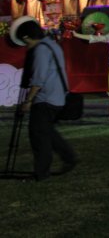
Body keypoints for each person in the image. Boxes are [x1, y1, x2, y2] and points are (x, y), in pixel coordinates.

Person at [12, 17, 78, 181]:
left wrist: (28, 101)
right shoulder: (52, 44)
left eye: (24, 42)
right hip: (58, 97)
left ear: (27, 37)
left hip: (45, 99)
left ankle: (42, 172)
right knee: (47, 131)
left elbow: (38, 79)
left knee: (39, 136)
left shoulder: (41, 50)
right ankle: (69, 157)